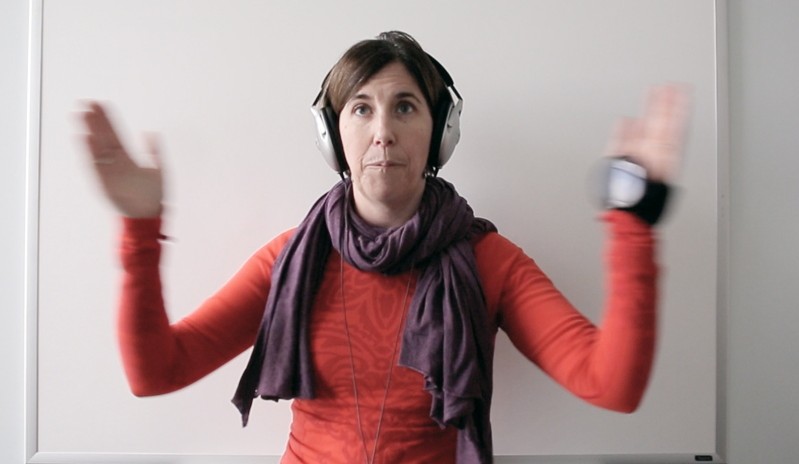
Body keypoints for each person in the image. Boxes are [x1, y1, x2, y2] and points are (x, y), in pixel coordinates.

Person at [79, 31, 688, 464]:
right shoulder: (290, 260)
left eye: (405, 107)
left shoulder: (489, 261)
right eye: (360, 109)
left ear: (440, 131)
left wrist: (634, 224)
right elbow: (155, 373)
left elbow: (611, 383)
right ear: (334, 136)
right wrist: (139, 228)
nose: (383, 131)